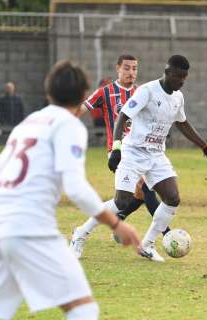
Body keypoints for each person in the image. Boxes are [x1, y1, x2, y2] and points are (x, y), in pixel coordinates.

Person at [0, 60, 140, 320]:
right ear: (84, 96)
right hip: (30, 230)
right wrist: (117, 225)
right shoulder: (69, 125)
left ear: (48, 92)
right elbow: (76, 189)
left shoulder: (28, 123)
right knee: (83, 309)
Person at [101, 55, 207, 263]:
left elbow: (182, 122)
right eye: (178, 77)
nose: (181, 82)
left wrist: (205, 147)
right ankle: (81, 233)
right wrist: (116, 148)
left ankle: (146, 244)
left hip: (155, 155)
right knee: (122, 200)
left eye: (185, 78)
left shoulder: (178, 97)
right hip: (133, 152)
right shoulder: (147, 91)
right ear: (167, 73)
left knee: (172, 198)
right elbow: (123, 116)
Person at [71, 54, 169, 258]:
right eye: (127, 68)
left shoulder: (141, 92)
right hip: (119, 152)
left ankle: (93, 228)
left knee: (131, 198)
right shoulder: (105, 92)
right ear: (118, 69)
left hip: (142, 152)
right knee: (146, 190)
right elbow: (81, 110)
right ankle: (159, 239)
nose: (131, 72)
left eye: (134, 68)